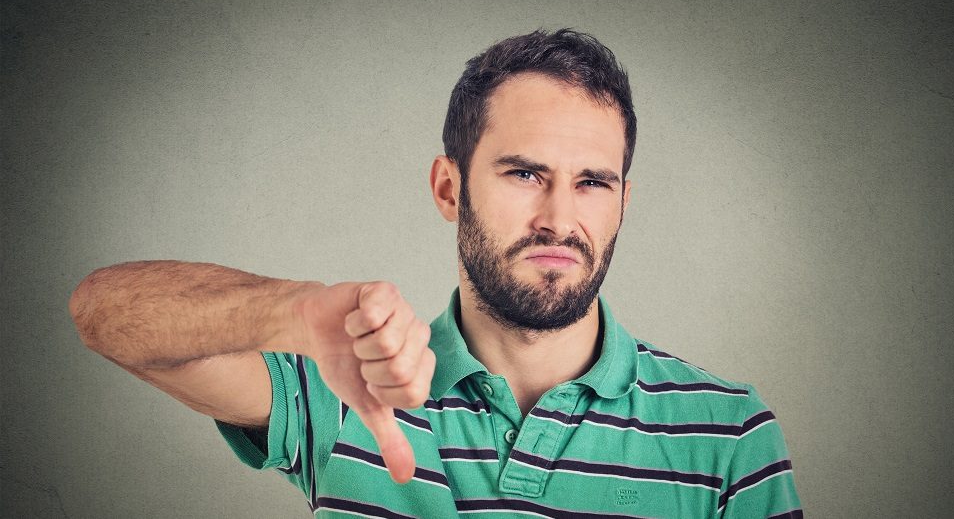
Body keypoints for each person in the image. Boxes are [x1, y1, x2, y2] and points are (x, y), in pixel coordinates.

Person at [70, 29, 802, 518]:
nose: (559, 217)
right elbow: (102, 313)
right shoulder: (346, 381)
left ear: (623, 203)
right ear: (448, 188)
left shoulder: (728, 433)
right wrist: (292, 311)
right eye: (524, 173)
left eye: (592, 183)